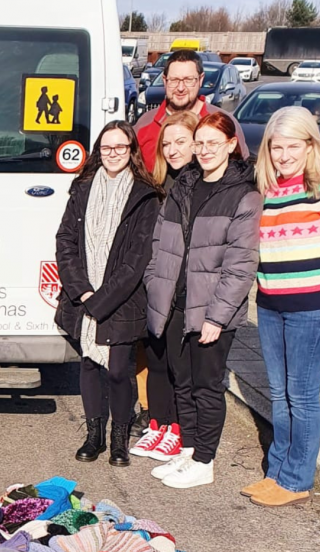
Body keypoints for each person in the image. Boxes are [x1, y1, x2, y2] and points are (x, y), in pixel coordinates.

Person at [144, 112, 262, 489]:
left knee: (206, 387)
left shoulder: (243, 194)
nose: (205, 150)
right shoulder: (184, 185)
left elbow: (241, 264)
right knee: (182, 382)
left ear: (231, 145)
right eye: (200, 143)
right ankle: (189, 449)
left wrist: (217, 317)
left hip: (211, 309)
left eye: (214, 143)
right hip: (175, 303)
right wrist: (155, 285)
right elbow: (158, 243)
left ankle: (204, 460)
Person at [55, 120, 162, 468]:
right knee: (88, 363)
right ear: (98, 151)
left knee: (117, 370)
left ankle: (119, 438)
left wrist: (100, 301)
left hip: (122, 298)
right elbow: (65, 241)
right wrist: (82, 291)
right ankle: (94, 435)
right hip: (84, 295)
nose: (113, 153)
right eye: (106, 147)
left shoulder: (145, 196)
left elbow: (137, 258)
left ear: (131, 151)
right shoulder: (82, 189)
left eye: (120, 147)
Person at [244, 107, 320, 507]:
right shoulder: (267, 189)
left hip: (313, 308)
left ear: (311, 145)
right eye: (276, 147)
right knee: (278, 393)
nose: (283, 156)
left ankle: (297, 480)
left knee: (302, 394)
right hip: (270, 304)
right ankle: (277, 472)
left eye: (293, 147)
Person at [130, 111, 199, 463]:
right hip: (155, 285)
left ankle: (177, 428)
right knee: (156, 361)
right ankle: (157, 423)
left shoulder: (199, 185)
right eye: (167, 143)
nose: (172, 150)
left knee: (178, 366)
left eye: (180, 142)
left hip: (182, 290)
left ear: (196, 144)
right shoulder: (158, 184)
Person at [135, 49, 248, 173]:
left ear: (200, 79)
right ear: (164, 80)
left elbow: (242, 172)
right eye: (174, 80)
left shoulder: (222, 123)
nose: (181, 88)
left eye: (188, 80)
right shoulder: (144, 124)